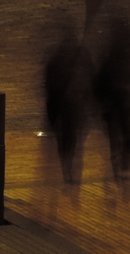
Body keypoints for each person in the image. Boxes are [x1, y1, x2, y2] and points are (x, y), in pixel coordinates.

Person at [93, 17, 130, 182]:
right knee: (128, 135)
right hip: (127, 103)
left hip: (113, 105)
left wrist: (100, 104)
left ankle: (118, 169)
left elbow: (99, 82)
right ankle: (124, 167)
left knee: (114, 138)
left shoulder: (109, 57)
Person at [43, 23, 93, 187]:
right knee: (73, 141)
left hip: (63, 108)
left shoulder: (56, 58)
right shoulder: (82, 56)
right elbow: (92, 80)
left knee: (65, 141)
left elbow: (48, 85)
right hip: (75, 107)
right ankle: (68, 170)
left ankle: (67, 168)